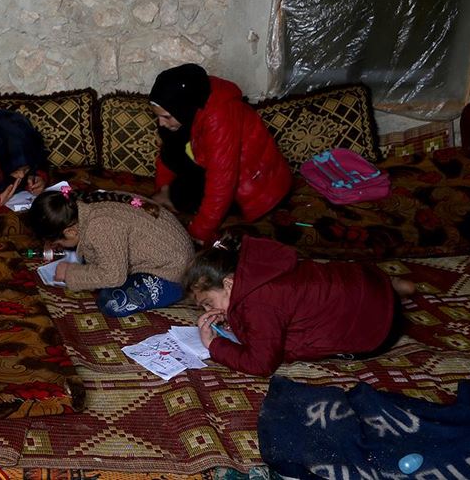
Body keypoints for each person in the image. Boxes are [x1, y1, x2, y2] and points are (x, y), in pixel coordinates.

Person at [184, 233, 417, 376]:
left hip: (380, 329)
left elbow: (261, 363)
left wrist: (214, 345)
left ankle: (393, 295)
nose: (210, 311)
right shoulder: (255, 267)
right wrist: (234, 319)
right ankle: (393, 286)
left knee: (303, 341)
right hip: (369, 280)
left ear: (229, 284)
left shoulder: (258, 304)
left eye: (208, 303)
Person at [149, 63, 293, 245]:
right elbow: (170, 152)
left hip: (254, 187)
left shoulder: (220, 116)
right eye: (158, 116)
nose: (161, 122)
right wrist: (163, 188)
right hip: (214, 167)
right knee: (173, 143)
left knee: (184, 197)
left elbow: (222, 180)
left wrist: (199, 232)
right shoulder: (190, 102)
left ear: (181, 109)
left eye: (166, 117)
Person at [25, 187, 195, 317]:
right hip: (168, 252)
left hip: (175, 274)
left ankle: (175, 292)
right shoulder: (84, 203)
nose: (60, 246)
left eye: (59, 243)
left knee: (110, 301)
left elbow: (113, 276)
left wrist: (70, 273)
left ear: (70, 231)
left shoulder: (100, 227)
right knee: (90, 263)